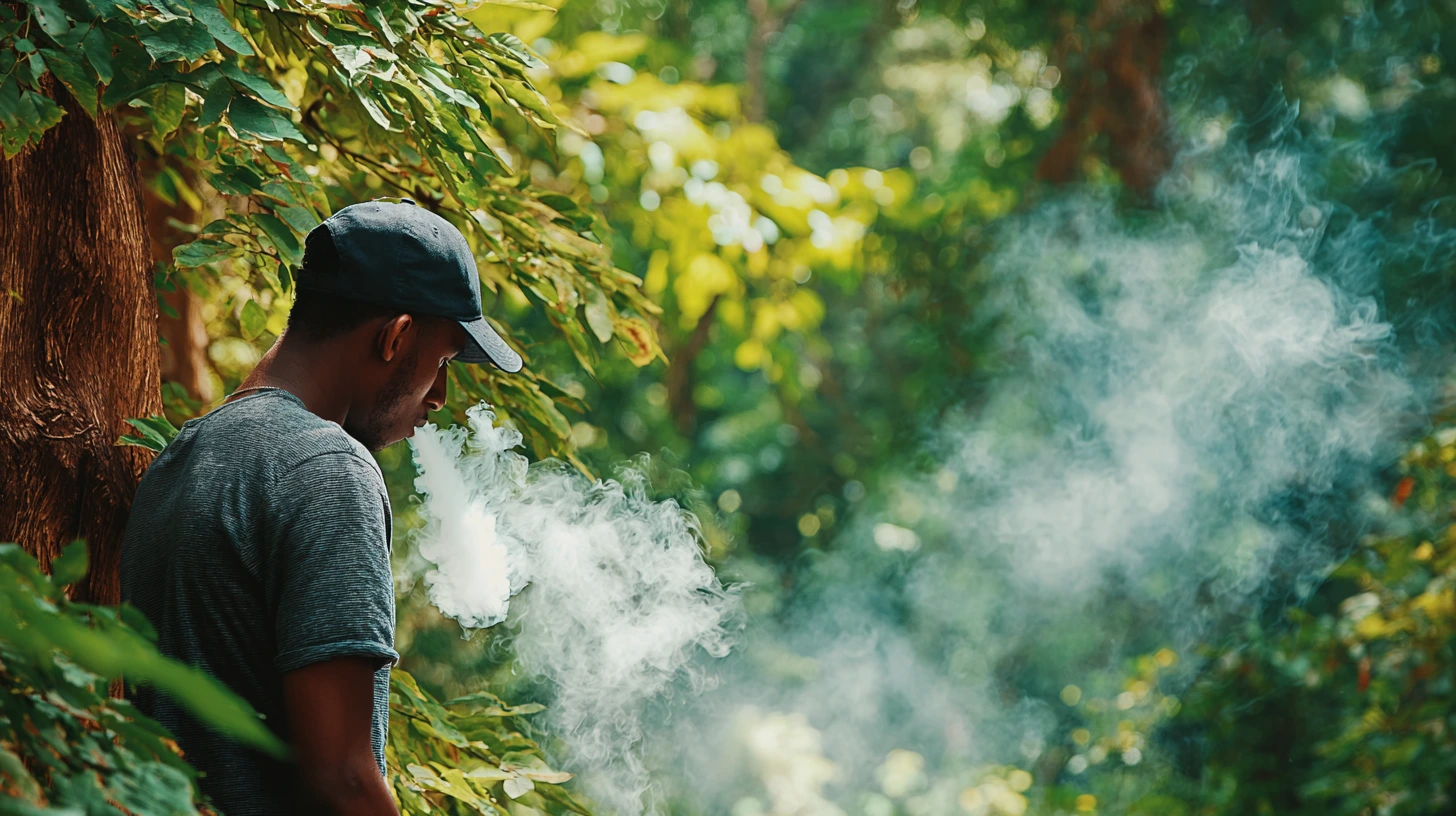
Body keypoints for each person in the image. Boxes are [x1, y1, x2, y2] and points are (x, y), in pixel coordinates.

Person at [120, 200, 522, 816]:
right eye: (440, 363)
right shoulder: (328, 469)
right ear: (396, 336)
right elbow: (341, 780)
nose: (440, 396)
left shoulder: (185, 452)